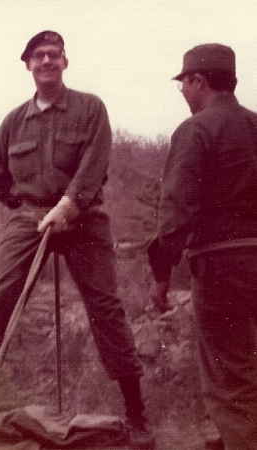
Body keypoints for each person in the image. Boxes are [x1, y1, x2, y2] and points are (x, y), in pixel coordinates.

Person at [0, 31, 154, 449]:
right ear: (28, 65)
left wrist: (67, 207)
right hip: (30, 219)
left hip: (83, 219)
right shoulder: (14, 121)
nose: (47, 61)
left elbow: (95, 164)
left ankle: (137, 413)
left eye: (54, 55)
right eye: (38, 56)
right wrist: (26, 206)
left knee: (106, 308)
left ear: (65, 62)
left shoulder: (90, 109)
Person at [148, 42, 257, 450]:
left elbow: (175, 210)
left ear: (197, 80)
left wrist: (160, 276)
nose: (183, 92)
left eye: (184, 83)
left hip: (221, 269)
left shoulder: (196, 129)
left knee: (232, 382)